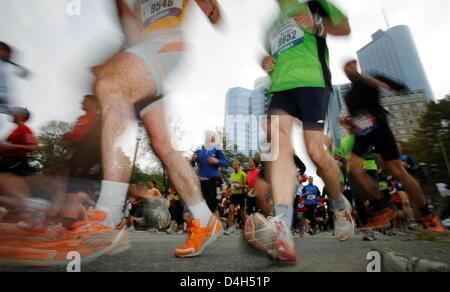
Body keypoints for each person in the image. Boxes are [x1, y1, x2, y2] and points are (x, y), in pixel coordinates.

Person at [2, 0, 225, 265]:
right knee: (162, 143)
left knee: (110, 84)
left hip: (165, 44)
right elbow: (131, 28)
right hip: (144, 54)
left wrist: (209, 7)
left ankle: (107, 220)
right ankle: (205, 220)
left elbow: (215, 16)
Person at [246, 0, 353, 263]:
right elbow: (273, 53)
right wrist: (266, 60)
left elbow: (344, 27)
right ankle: (282, 226)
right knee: (277, 139)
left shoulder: (315, 3)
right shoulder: (270, 24)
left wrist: (317, 25)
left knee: (315, 152)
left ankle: (339, 204)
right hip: (280, 87)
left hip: (312, 81)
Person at [343, 59, 444, 233]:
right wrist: (349, 123)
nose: (348, 70)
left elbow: (400, 88)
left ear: (356, 65)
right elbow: (357, 117)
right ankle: (381, 210)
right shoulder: (348, 96)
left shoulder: (372, 79)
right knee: (352, 167)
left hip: (380, 129)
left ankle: (428, 215)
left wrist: (375, 82)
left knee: (398, 171)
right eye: (345, 69)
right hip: (363, 133)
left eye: (351, 66)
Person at [191, 131, 228, 217]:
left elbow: (225, 162)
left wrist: (217, 161)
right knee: (203, 204)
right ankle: (207, 226)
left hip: (214, 179)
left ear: (213, 138)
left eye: (210, 136)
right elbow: (192, 165)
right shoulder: (199, 150)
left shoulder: (217, 149)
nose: (207, 137)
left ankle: (216, 228)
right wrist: (193, 160)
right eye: (206, 136)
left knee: (213, 205)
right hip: (202, 180)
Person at [224, 161, 247, 235]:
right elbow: (232, 185)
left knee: (243, 213)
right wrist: (228, 191)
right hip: (234, 195)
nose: (234, 167)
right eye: (233, 165)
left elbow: (247, 186)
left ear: (239, 166)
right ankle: (231, 228)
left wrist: (240, 186)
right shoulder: (232, 175)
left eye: (235, 165)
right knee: (231, 210)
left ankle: (247, 227)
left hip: (242, 195)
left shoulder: (243, 174)